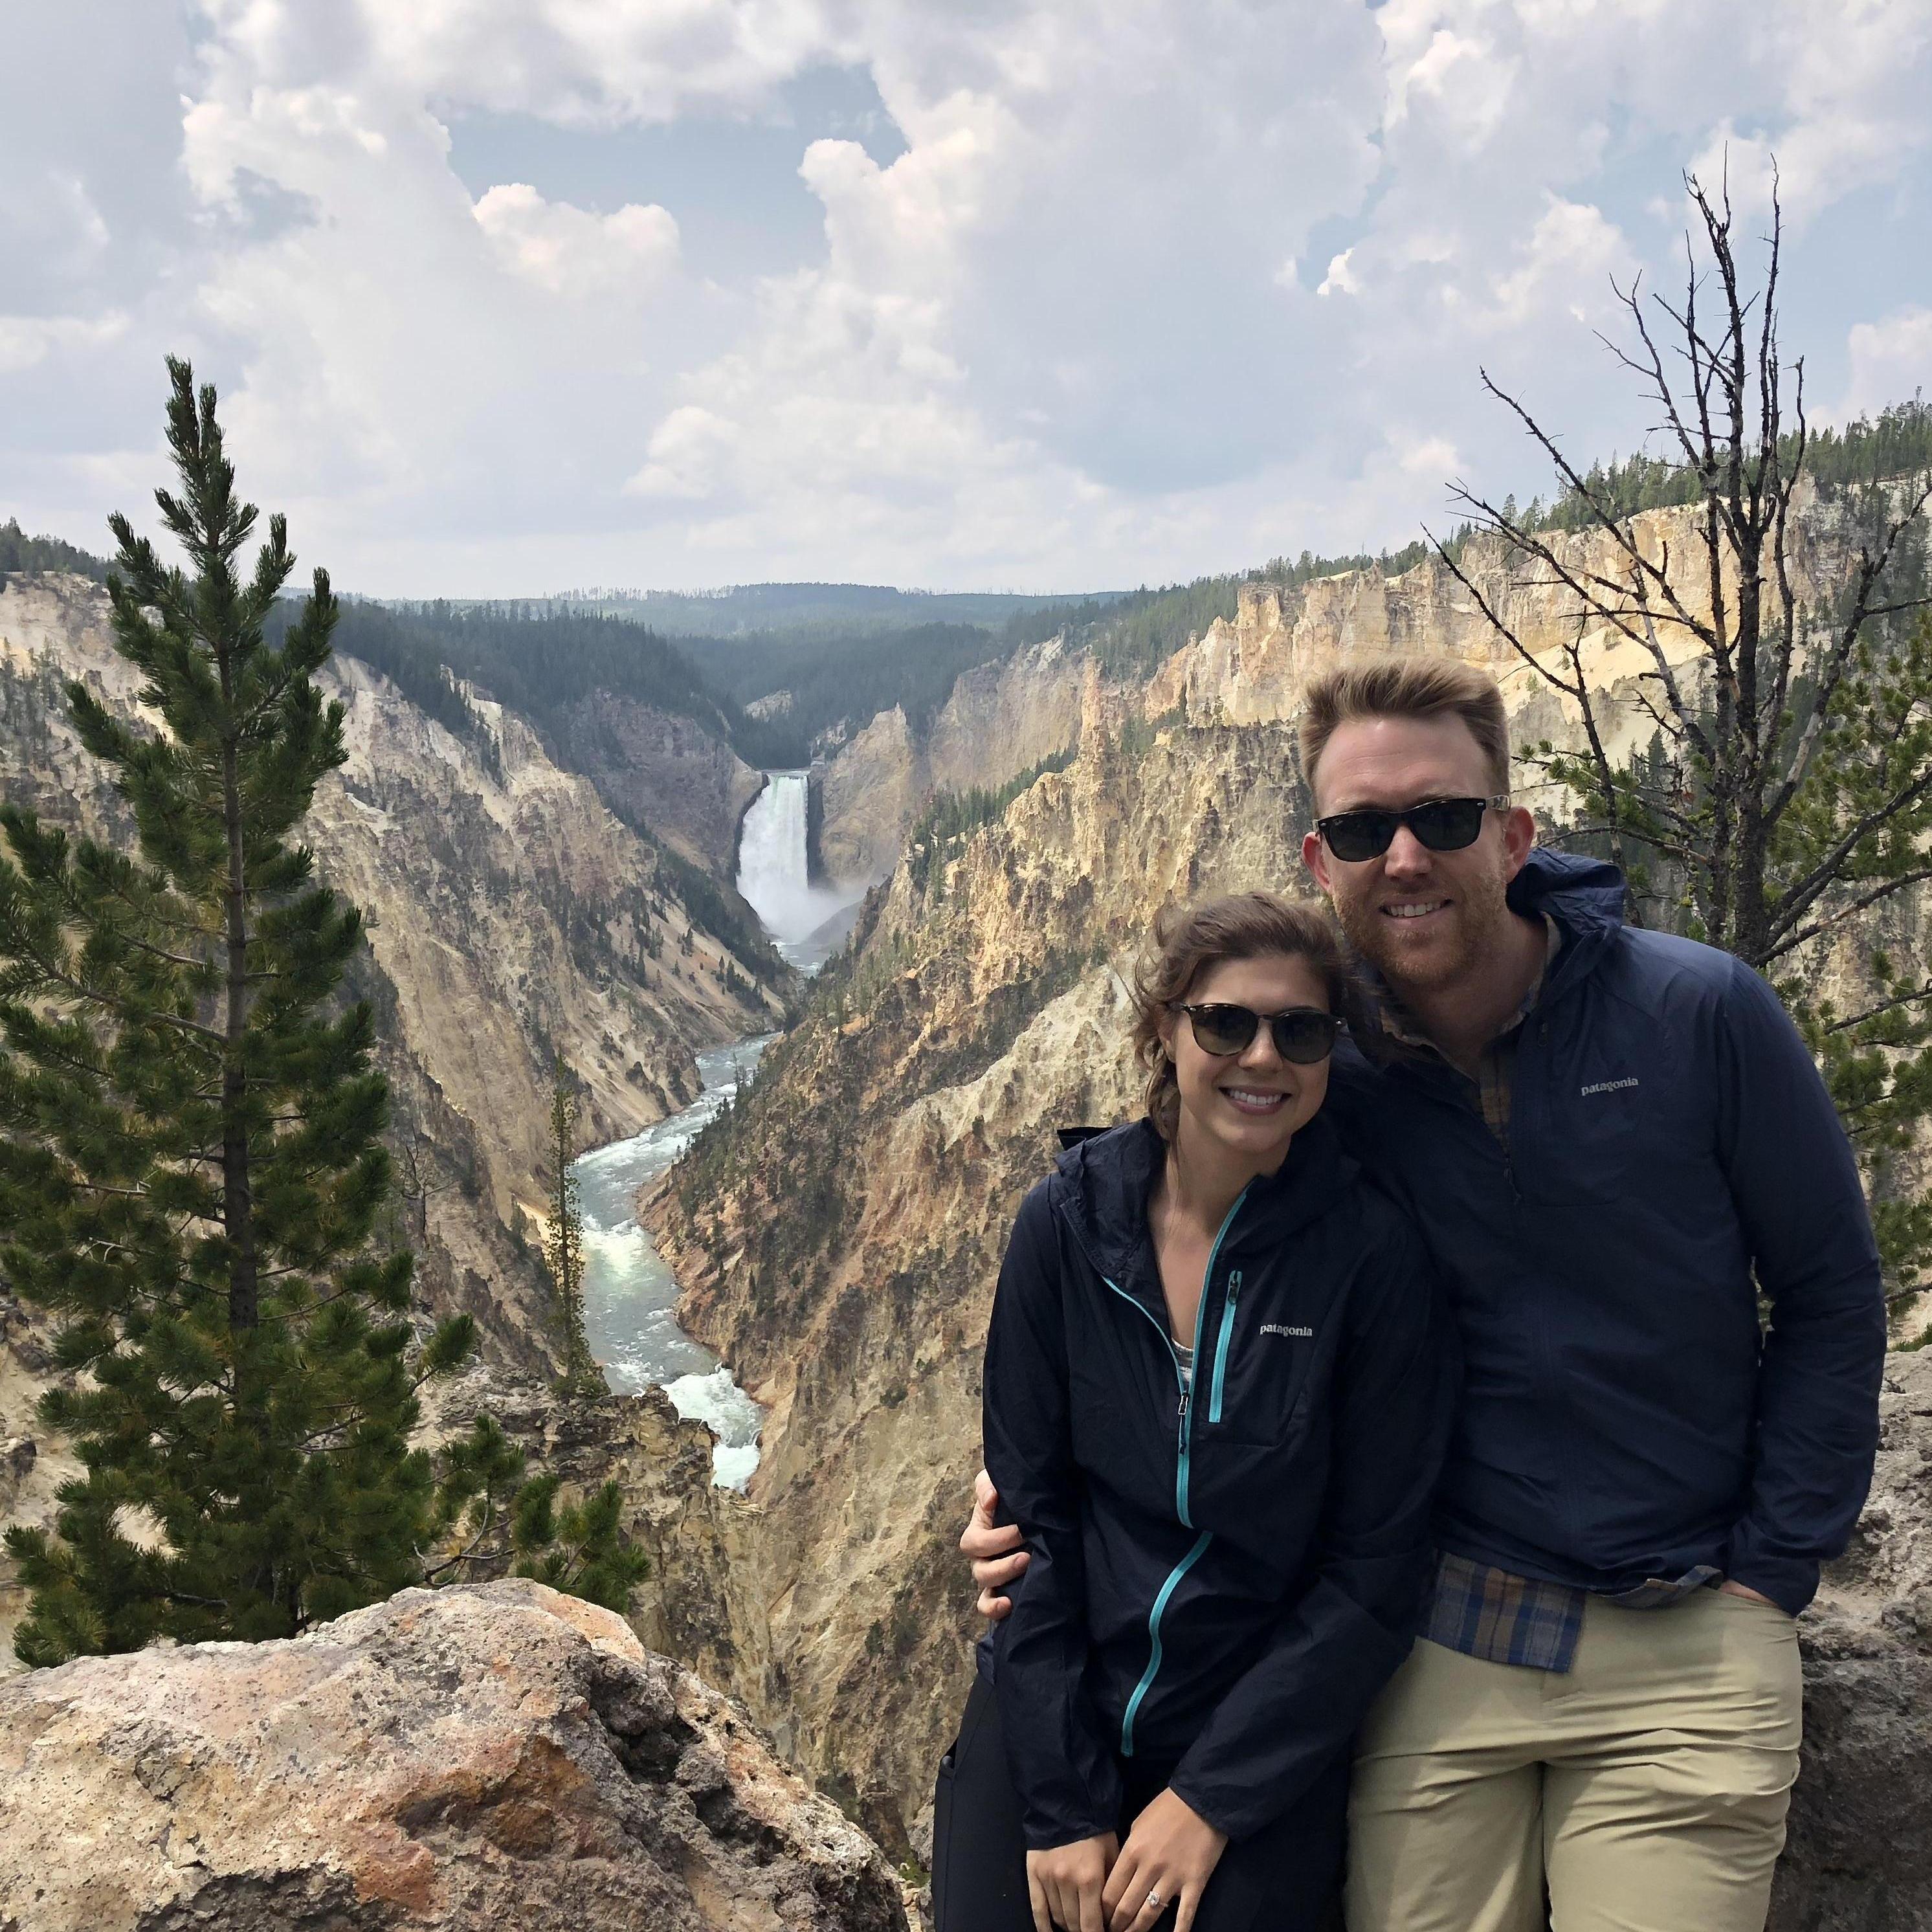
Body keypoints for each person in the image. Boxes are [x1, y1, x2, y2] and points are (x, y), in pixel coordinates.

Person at [966, 658, 1887, 1932]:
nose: (1401, 856)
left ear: (1511, 834)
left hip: (1682, 1633)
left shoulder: (1695, 1013)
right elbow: (1171, 1225)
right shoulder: (1315, 1068)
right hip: (1439, 1639)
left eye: (1441, 818)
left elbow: (1830, 1293)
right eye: (1360, 829)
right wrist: (1035, 1483)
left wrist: (1768, 1569)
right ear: (1317, 857)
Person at [935, 892, 1456, 1932]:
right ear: (1165, 1028)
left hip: (1249, 1732)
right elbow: (1036, 1522)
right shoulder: (1064, 1228)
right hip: (1058, 1705)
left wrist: (1209, 1800)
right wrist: (1062, 1802)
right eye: (1225, 1022)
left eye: (1298, 1030)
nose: (1260, 1056)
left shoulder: (1370, 1261)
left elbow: (1371, 1577)